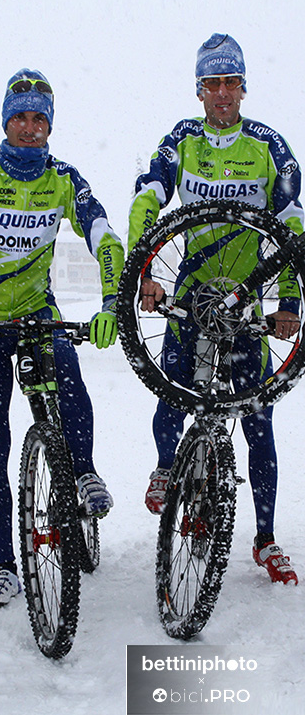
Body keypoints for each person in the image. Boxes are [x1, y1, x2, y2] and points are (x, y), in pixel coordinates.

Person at [0, 68, 124, 608]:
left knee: (70, 379)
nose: (30, 128)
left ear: (50, 125)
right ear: (5, 120)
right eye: (20, 117)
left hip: (38, 312)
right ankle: (7, 566)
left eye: (39, 119)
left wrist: (109, 302)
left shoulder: (63, 177)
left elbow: (103, 234)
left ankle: (84, 473)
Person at [128, 33, 303, 585]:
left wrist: (291, 300)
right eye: (212, 84)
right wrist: (145, 272)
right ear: (199, 90)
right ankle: (165, 467)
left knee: (258, 419)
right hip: (190, 295)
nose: (222, 93)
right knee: (174, 387)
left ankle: (267, 538)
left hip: (246, 302)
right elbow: (146, 198)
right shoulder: (181, 140)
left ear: (243, 89)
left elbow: (295, 223)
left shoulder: (269, 146)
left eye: (230, 83)